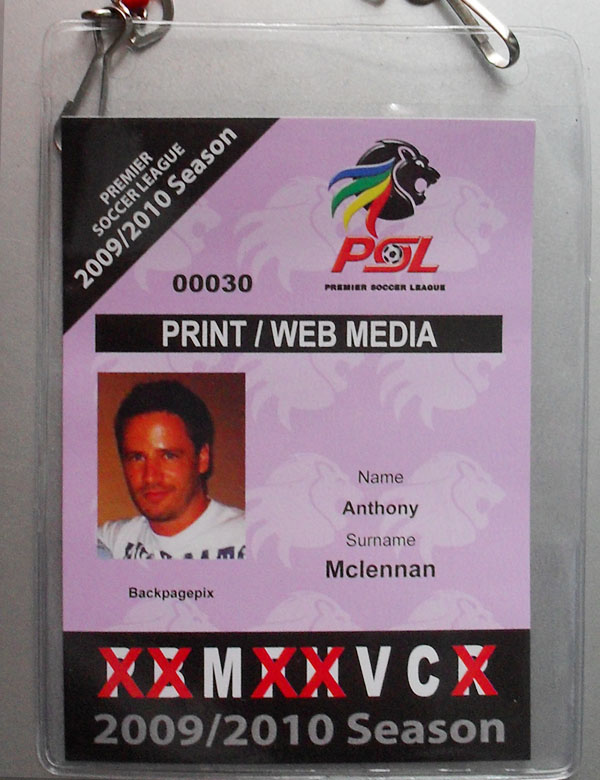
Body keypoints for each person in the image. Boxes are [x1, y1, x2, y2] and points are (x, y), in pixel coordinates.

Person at [97, 380, 245, 560]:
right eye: (137, 458)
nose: (150, 477)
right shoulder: (113, 540)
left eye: (168, 456)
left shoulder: (245, 539)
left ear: (202, 459)